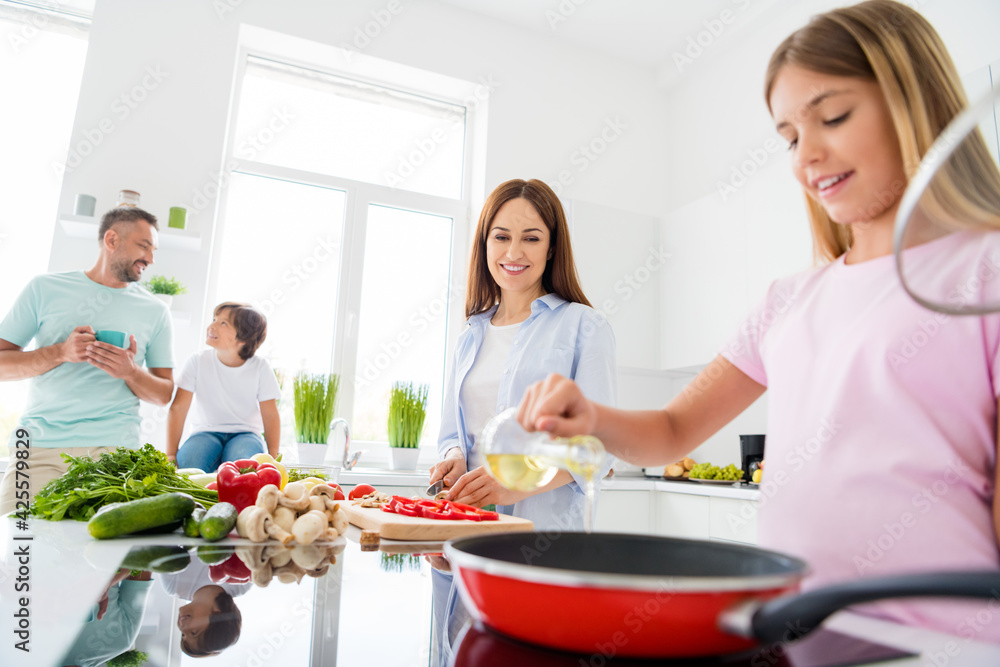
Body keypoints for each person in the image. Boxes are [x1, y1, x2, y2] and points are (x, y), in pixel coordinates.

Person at [517, 0, 1000, 643]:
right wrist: (593, 419)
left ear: (916, 102)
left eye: (833, 116)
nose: (808, 156)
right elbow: (671, 430)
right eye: (791, 138)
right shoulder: (790, 300)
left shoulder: (985, 270)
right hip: (795, 630)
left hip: (946, 640)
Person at [429, 178, 617, 531]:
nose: (513, 253)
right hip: (463, 532)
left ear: (550, 248)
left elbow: (601, 447)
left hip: (543, 541)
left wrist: (519, 481)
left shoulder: (584, 326)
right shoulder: (470, 335)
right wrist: (453, 456)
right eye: (501, 237)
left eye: (531, 238)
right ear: (485, 244)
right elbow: (452, 435)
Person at [0, 207, 174, 514]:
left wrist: (130, 372)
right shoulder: (44, 289)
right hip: (38, 449)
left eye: (154, 250)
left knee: (105, 559)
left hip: (114, 455)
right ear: (111, 239)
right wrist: (60, 352)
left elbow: (163, 394)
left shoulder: (156, 311)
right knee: (19, 549)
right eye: (144, 246)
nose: (150, 259)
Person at [167, 301, 280, 471]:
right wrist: (171, 454)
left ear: (243, 338)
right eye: (214, 319)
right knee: (189, 465)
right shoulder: (197, 361)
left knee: (245, 469)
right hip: (205, 432)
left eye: (223, 323)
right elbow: (178, 408)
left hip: (246, 433)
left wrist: (273, 457)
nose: (212, 325)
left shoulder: (260, 367)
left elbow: (270, 414)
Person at [158, 556, 248, 657]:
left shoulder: (174, 586)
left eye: (183, 635)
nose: (182, 628)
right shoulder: (242, 583)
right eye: (193, 632)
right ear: (218, 617)